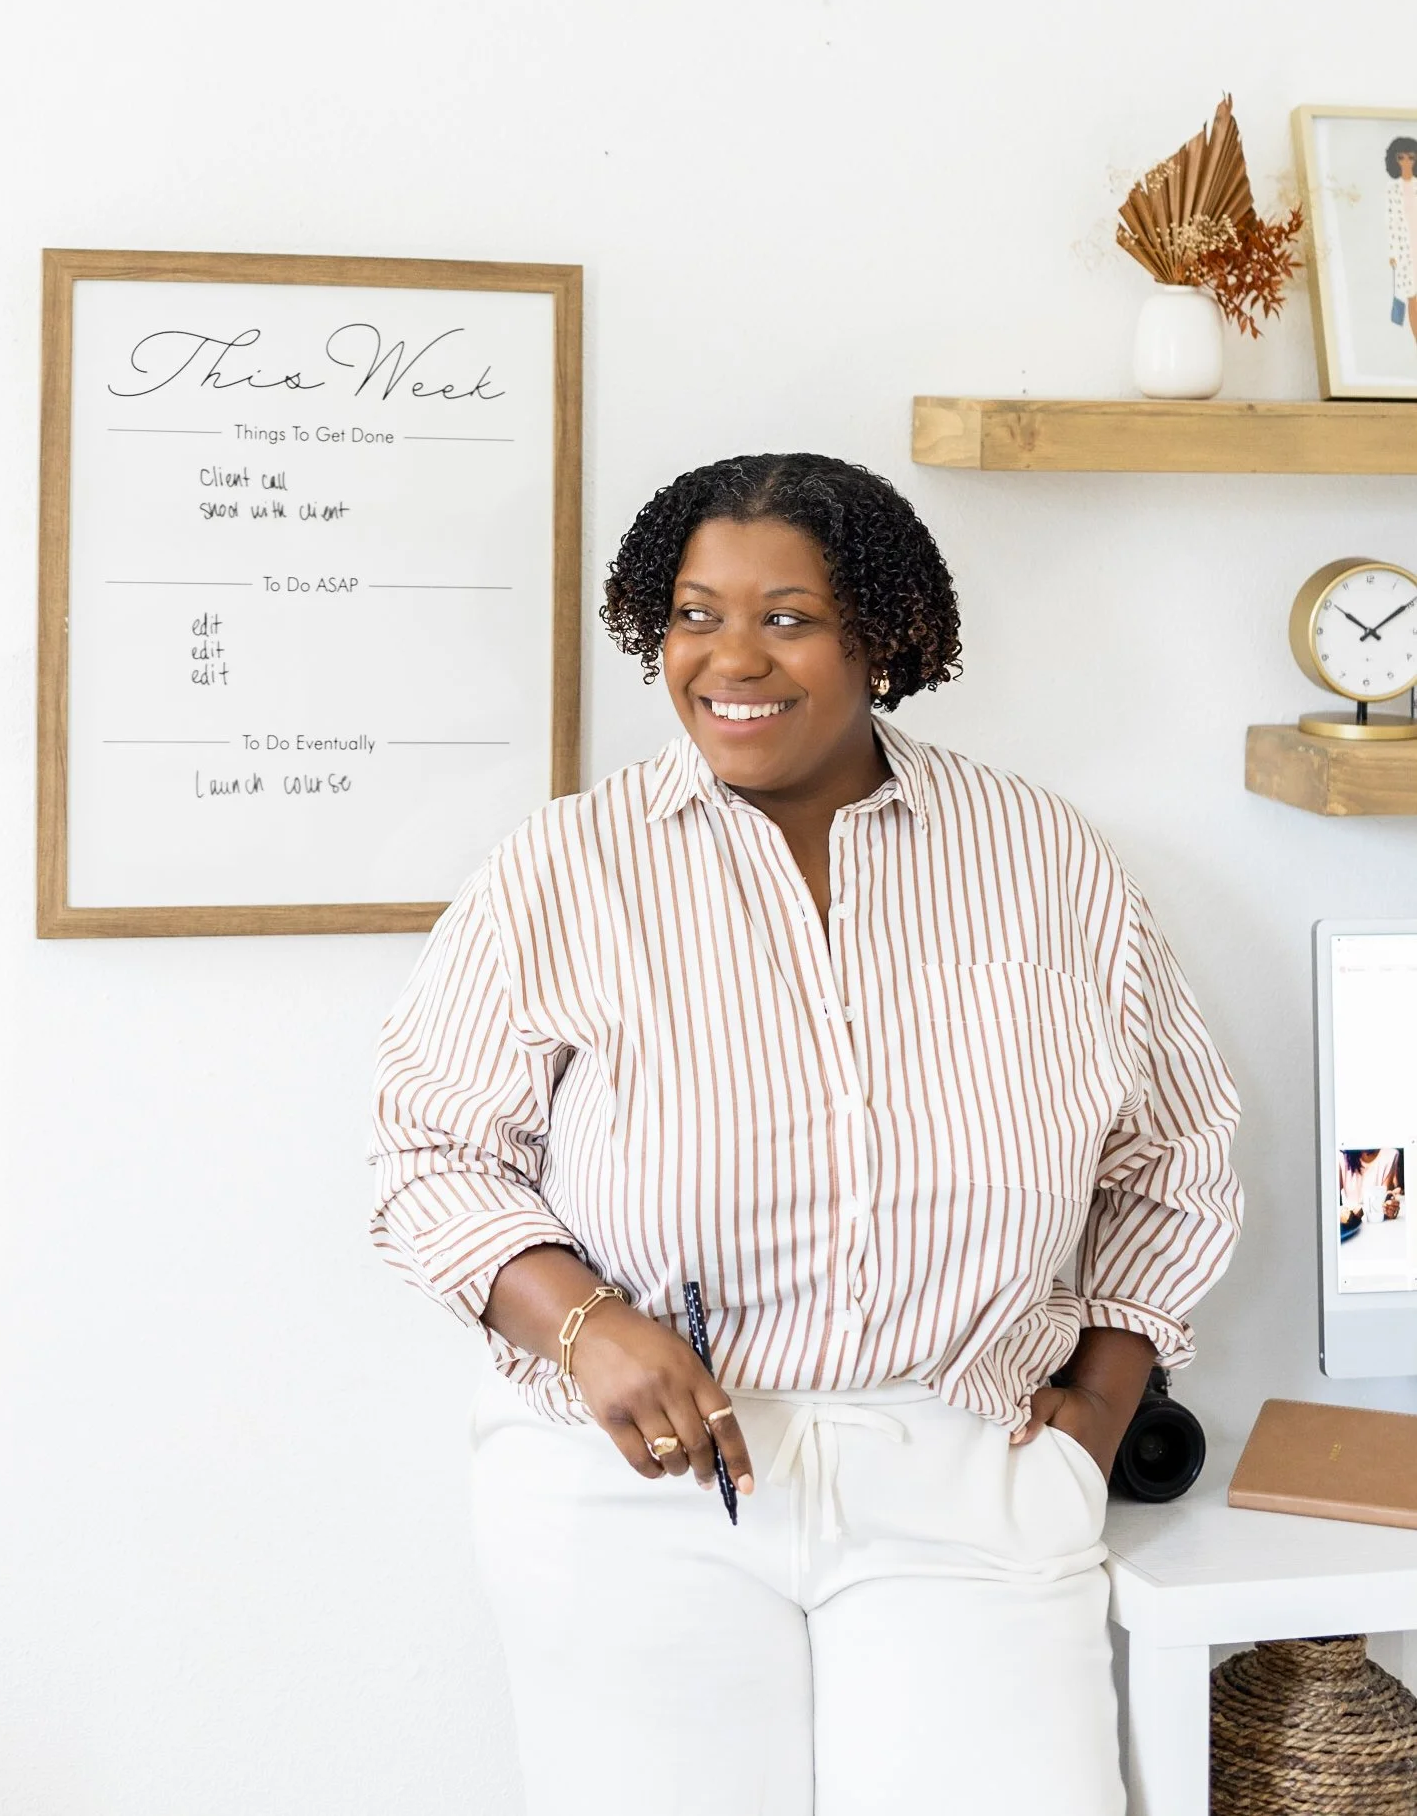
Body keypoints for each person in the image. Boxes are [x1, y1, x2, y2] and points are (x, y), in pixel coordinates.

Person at [367, 454, 1243, 1816]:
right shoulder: (561, 869)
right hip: (638, 1492)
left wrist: (1098, 1411)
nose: (731, 659)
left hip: (969, 1470)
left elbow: (1173, 1154)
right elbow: (432, 1152)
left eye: (787, 617)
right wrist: (588, 1326)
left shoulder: (1043, 858)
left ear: (883, 635)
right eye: (694, 615)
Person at [1386, 136, 1417, 346]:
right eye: (1401, 157)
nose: (1406, 162)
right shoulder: (1392, 189)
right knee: (1412, 298)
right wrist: (1393, 253)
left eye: (1411, 157)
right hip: (1406, 250)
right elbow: (1391, 223)